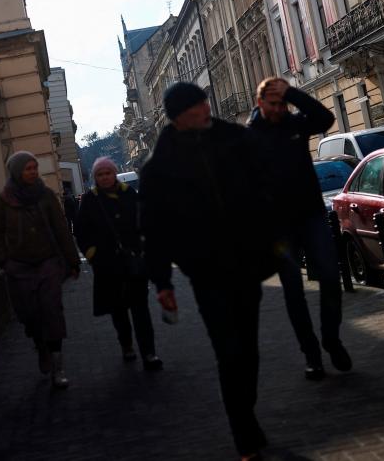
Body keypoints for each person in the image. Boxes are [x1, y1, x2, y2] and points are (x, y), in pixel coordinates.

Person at [140, 82, 277, 461]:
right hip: (205, 271)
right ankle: (244, 432)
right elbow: (153, 230)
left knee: (248, 350)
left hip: (246, 262)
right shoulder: (159, 167)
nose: (206, 108)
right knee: (228, 352)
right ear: (180, 115)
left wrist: (269, 231)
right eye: (198, 105)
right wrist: (162, 282)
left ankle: (244, 409)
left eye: (204, 102)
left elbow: (266, 182)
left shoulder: (234, 139)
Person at [247, 77, 352, 381]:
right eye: (273, 103)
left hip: (311, 216)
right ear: (260, 103)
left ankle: (331, 339)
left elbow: (326, 119)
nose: (279, 109)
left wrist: (292, 93)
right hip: (278, 228)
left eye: (283, 103)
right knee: (294, 292)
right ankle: (312, 355)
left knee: (331, 277)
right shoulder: (250, 137)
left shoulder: (294, 124)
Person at [0, 151, 81, 389]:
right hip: (19, 267)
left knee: (52, 311)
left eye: (34, 167)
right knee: (30, 315)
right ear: (17, 171)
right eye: (28, 168)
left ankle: (58, 366)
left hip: (48, 262)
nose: (32, 172)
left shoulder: (46, 196)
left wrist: (72, 261)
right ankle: (41, 347)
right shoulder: (3, 200)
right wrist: (4, 261)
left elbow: (61, 229)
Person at [75, 157, 162, 370]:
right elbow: (81, 231)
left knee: (141, 309)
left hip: (133, 262)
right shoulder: (89, 200)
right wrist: (92, 254)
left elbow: (144, 222)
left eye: (108, 173)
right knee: (118, 310)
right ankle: (126, 344)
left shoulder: (129, 193)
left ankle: (149, 353)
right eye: (100, 174)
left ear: (114, 174)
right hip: (107, 266)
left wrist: (144, 246)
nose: (105, 177)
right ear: (95, 178)